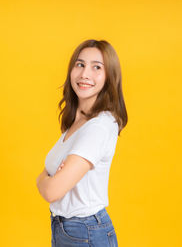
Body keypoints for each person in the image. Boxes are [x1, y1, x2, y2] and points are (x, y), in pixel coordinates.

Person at [36, 39, 128, 246]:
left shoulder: (99, 126)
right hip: (66, 228)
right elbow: (48, 179)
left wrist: (44, 180)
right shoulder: (77, 122)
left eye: (97, 67)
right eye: (80, 64)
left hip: (85, 232)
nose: (85, 74)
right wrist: (48, 178)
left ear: (109, 76)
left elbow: (52, 191)